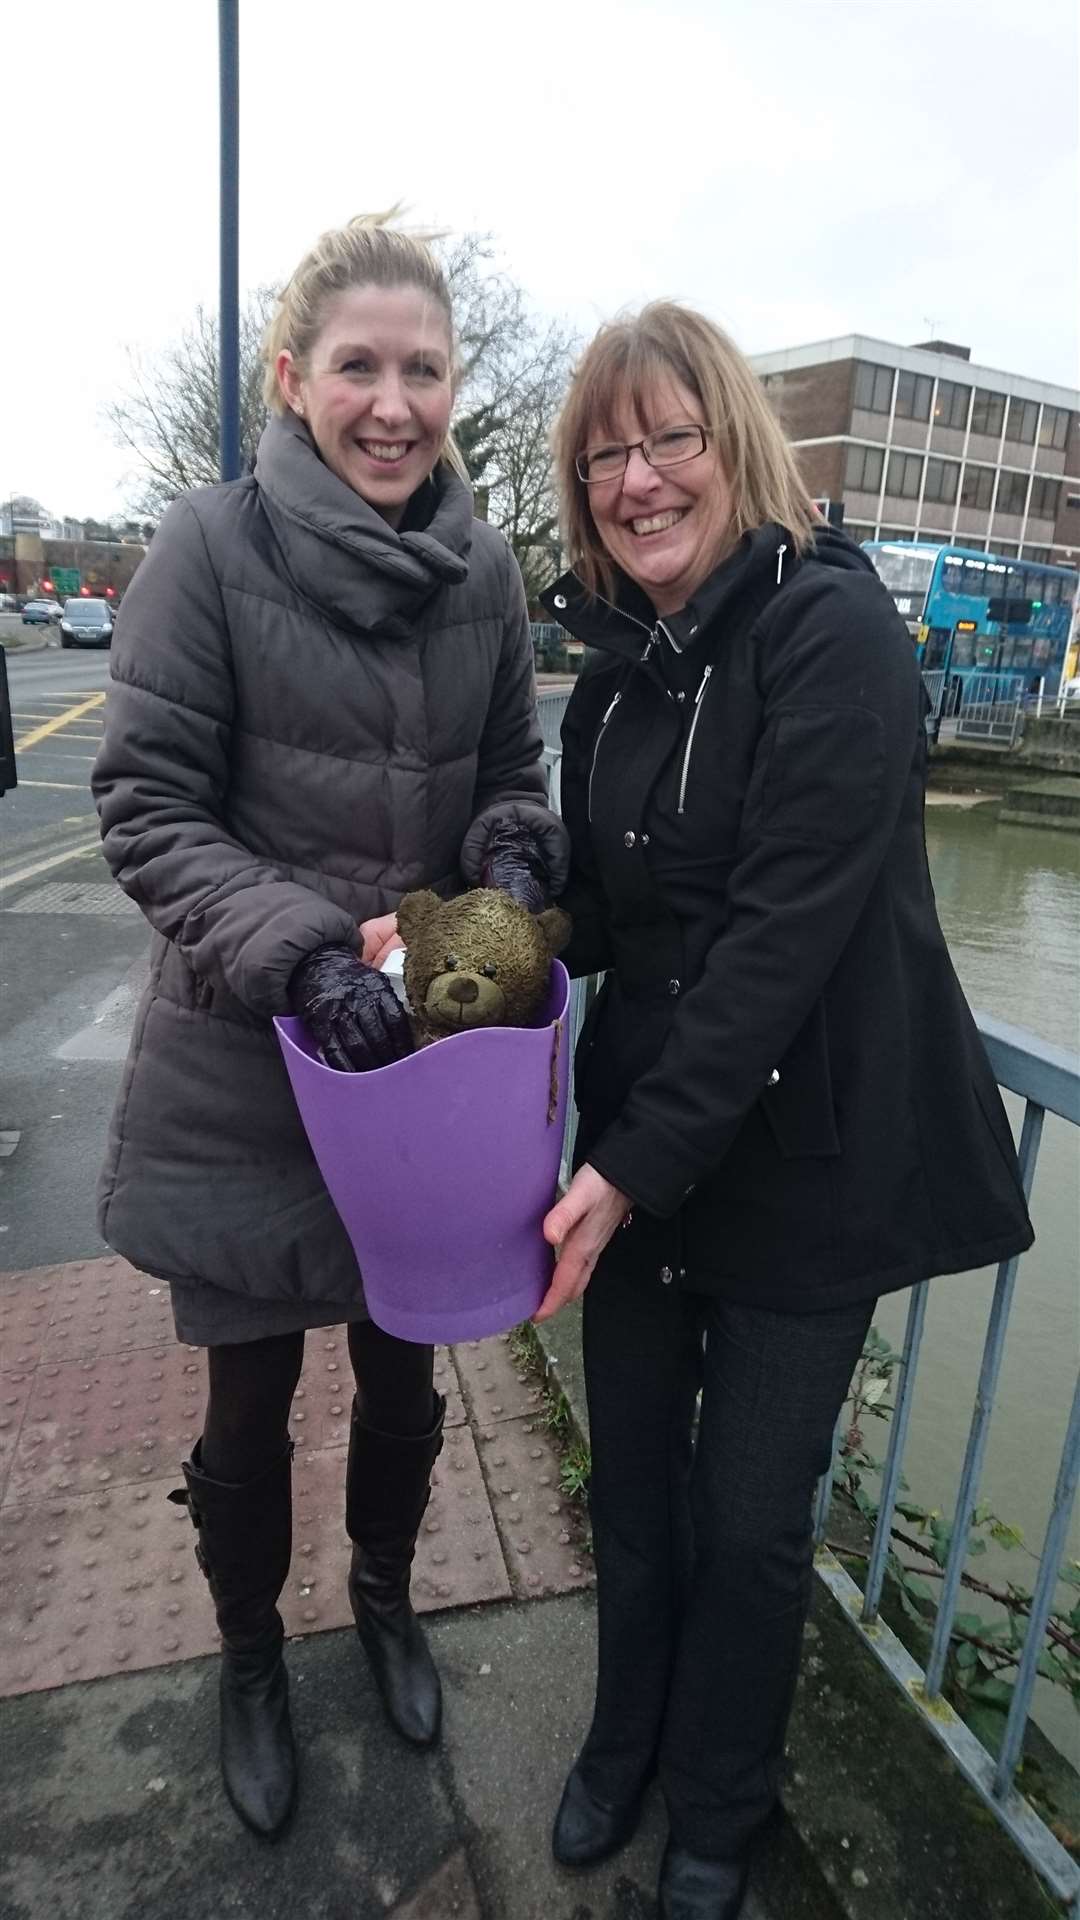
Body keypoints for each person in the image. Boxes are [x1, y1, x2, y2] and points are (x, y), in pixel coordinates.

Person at [534, 302, 1034, 1920]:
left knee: (751, 1522)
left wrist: (617, 1169)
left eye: (669, 436)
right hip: (643, 1152)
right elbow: (604, 913)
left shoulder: (836, 638)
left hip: (802, 1166)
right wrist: (472, 932)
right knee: (638, 1489)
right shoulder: (612, 680)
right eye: (606, 452)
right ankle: (625, 1740)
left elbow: (776, 947)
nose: (638, 476)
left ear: (733, 442)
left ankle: (722, 1806)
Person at [91, 212, 568, 1839]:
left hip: (420, 1076)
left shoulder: (489, 569)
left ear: (454, 386)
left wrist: (507, 866)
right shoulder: (204, 550)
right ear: (293, 382)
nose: (393, 402)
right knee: (243, 1412)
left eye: (422, 369)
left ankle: (382, 1601)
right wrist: (302, 956)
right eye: (357, 366)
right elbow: (148, 805)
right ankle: (246, 1652)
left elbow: (513, 773)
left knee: (409, 1381)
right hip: (248, 1054)